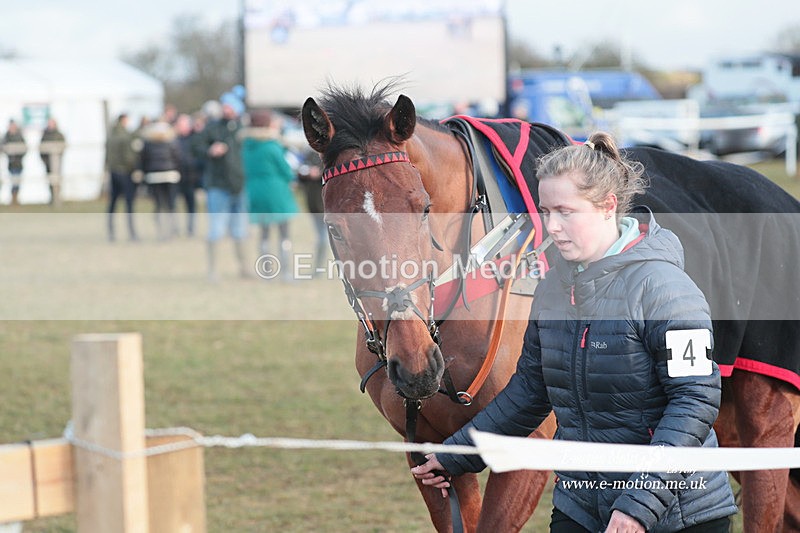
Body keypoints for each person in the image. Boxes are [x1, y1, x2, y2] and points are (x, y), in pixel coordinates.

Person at [411, 132, 738, 533]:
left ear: (607, 207)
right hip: (580, 507)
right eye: (545, 211)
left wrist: (640, 506)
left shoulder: (665, 289)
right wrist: (457, 454)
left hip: (678, 515)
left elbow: (695, 403)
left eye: (565, 212)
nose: (552, 227)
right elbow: (530, 393)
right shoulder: (551, 289)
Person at [193, 97, 249, 281]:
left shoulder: (243, 130)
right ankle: (212, 271)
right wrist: (210, 149)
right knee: (216, 230)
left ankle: (244, 269)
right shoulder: (212, 127)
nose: (226, 109)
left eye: (230, 106)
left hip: (240, 185)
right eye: (225, 106)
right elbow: (195, 146)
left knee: (240, 230)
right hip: (217, 185)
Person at [241, 110, 299, 279]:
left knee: (264, 233)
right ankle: (285, 271)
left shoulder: (246, 146)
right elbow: (285, 169)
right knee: (283, 232)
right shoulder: (272, 146)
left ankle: (266, 271)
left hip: (255, 189)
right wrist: (292, 178)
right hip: (276, 189)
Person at [139, 118, 181, 240]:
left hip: (154, 177)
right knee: (171, 204)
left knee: (158, 205)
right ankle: (172, 229)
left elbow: (143, 161)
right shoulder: (171, 142)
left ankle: (161, 230)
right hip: (170, 175)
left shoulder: (148, 143)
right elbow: (177, 158)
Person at [104, 113, 139, 241]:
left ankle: (111, 232)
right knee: (129, 204)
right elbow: (129, 157)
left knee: (113, 203)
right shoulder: (125, 136)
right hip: (125, 172)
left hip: (113, 172)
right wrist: (135, 168)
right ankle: (131, 232)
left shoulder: (111, 135)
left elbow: (107, 155)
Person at [174, 113, 202, 236]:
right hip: (177, 177)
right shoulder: (174, 140)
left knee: (191, 205)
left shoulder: (195, 139)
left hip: (191, 177)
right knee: (173, 204)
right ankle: (174, 228)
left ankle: (191, 228)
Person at [39, 117, 66, 204]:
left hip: (57, 162)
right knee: (50, 180)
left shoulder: (59, 135)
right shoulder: (45, 135)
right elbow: (41, 148)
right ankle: (52, 197)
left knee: (57, 180)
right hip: (47, 162)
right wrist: (44, 160)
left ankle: (57, 198)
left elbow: (63, 147)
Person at [2, 119, 27, 206]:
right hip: (10, 163)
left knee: (17, 180)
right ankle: (13, 199)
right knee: (13, 180)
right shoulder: (6, 136)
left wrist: (18, 153)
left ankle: (15, 199)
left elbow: (24, 148)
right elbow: (3, 147)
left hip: (18, 163)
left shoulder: (19, 136)